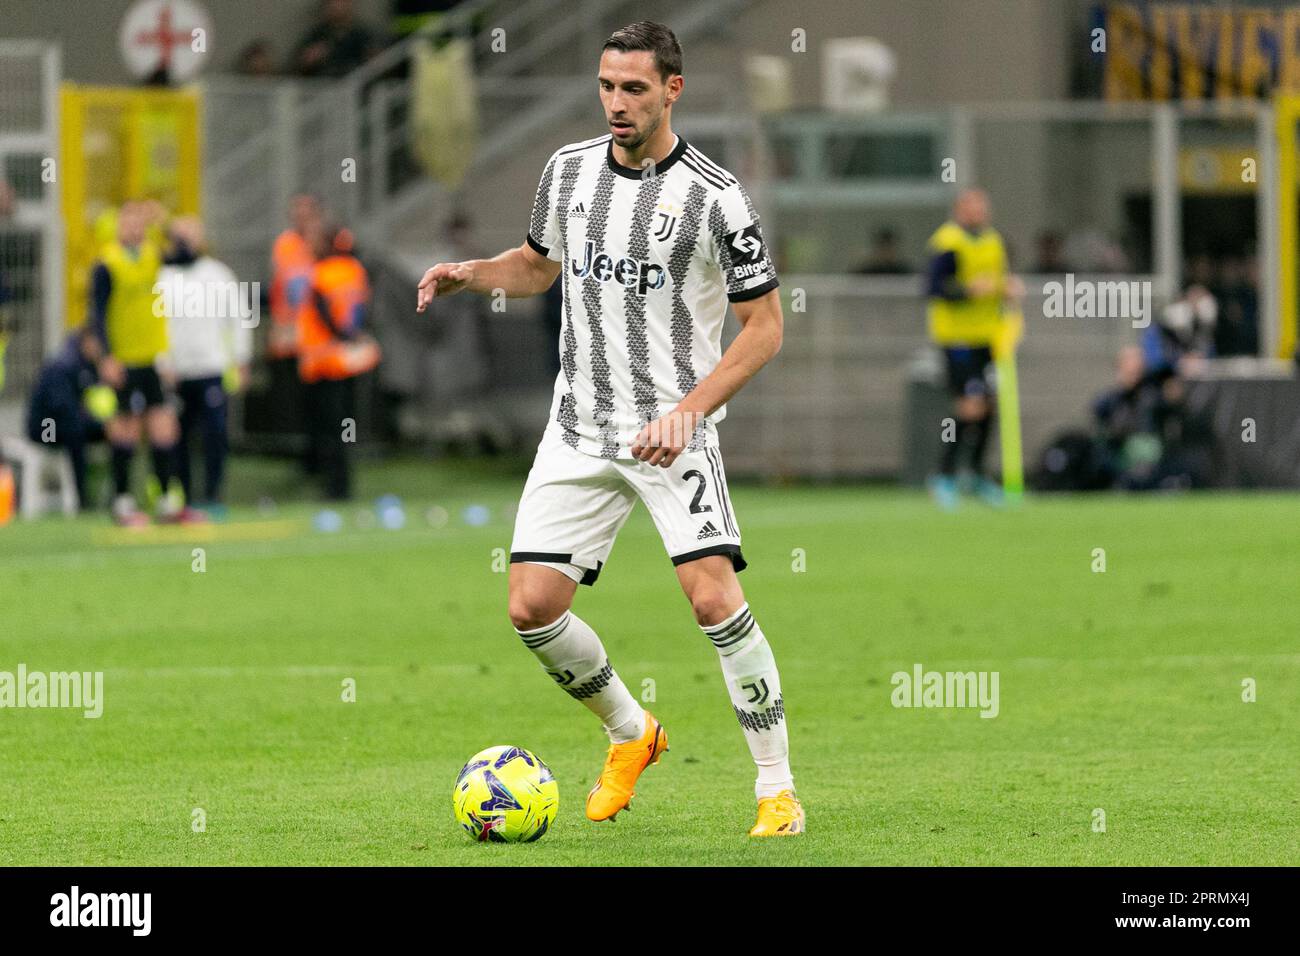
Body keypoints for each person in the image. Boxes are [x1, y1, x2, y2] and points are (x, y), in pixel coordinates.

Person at [417, 21, 801, 837]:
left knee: (711, 598)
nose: (616, 103)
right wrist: (471, 274)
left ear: (672, 90)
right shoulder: (567, 172)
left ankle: (777, 789)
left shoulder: (715, 196)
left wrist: (688, 412)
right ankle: (632, 733)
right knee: (530, 607)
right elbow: (537, 264)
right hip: (579, 427)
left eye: (633, 88)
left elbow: (764, 327)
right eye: (605, 86)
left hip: (673, 432)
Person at [89, 200, 197, 525]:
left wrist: (165, 223)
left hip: (154, 356)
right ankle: (122, 502)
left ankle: (166, 502)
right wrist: (107, 357)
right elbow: (98, 314)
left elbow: (188, 255)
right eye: (128, 222)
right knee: (128, 430)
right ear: (118, 226)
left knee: (164, 428)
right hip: (125, 358)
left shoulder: (153, 253)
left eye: (139, 222)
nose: (134, 228)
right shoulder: (107, 263)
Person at [924, 188, 1024, 510]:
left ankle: (977, 475)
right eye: (974, 207)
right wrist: (967, 290)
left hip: (989, 338)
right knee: (969, 405)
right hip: (957, 338)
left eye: (984, 207)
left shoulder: (994, 240)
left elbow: (999, 281)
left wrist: (1009, 290)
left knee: (991, 405)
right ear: (960, 210)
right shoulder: (948, 242)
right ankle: (944, 475)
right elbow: (933, 288)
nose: (981, 212)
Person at [158, 217, 251, 508]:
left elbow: (238, 319)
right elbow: (157, 325)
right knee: (178, 437)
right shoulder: (163, 277)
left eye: (190, 235)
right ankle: (182, 497)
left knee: (215, 434)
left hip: (211, 368)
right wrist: (164, 363)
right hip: (177, 372)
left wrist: (241, 359)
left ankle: (213, 494)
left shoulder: (218, 275)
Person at [298, 223, 380, 500]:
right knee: (345, 426)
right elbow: (360, 311)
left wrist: (342, 337)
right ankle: (341, 484)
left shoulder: (320, 273)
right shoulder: (355, 271)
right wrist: (353, 338)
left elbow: (325, 317)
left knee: (326, 429)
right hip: (348, 361)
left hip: (324, 362)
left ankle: (334, 487)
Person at [25, 327, 107, 509]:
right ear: (86, 342)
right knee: (75, 435)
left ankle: (104, 496)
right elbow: (60, 407)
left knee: (87, 432)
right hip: (45, 427)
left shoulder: (88, 367)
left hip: (61, 423)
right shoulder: (64, 365)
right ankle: (80, 499)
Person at [268, 194, 320, 442]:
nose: (300, 214)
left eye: (305, 209)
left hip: (319, 328)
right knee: (294, 390)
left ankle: (318, 452)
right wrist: (279, 323)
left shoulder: (325, 242)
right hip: (291, 326)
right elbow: (280, 285)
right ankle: (298, 446)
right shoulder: (285, 243)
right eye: (296, 209)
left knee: (318, 390)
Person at [293, 0, 379, 78]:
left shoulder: (362, 35)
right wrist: (306, 60)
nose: (336, 6)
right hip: (322, 84)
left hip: (353, 84)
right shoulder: (318, 35)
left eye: (341, 2)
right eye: (332, 2)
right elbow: (294, 66)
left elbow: (378, 64)